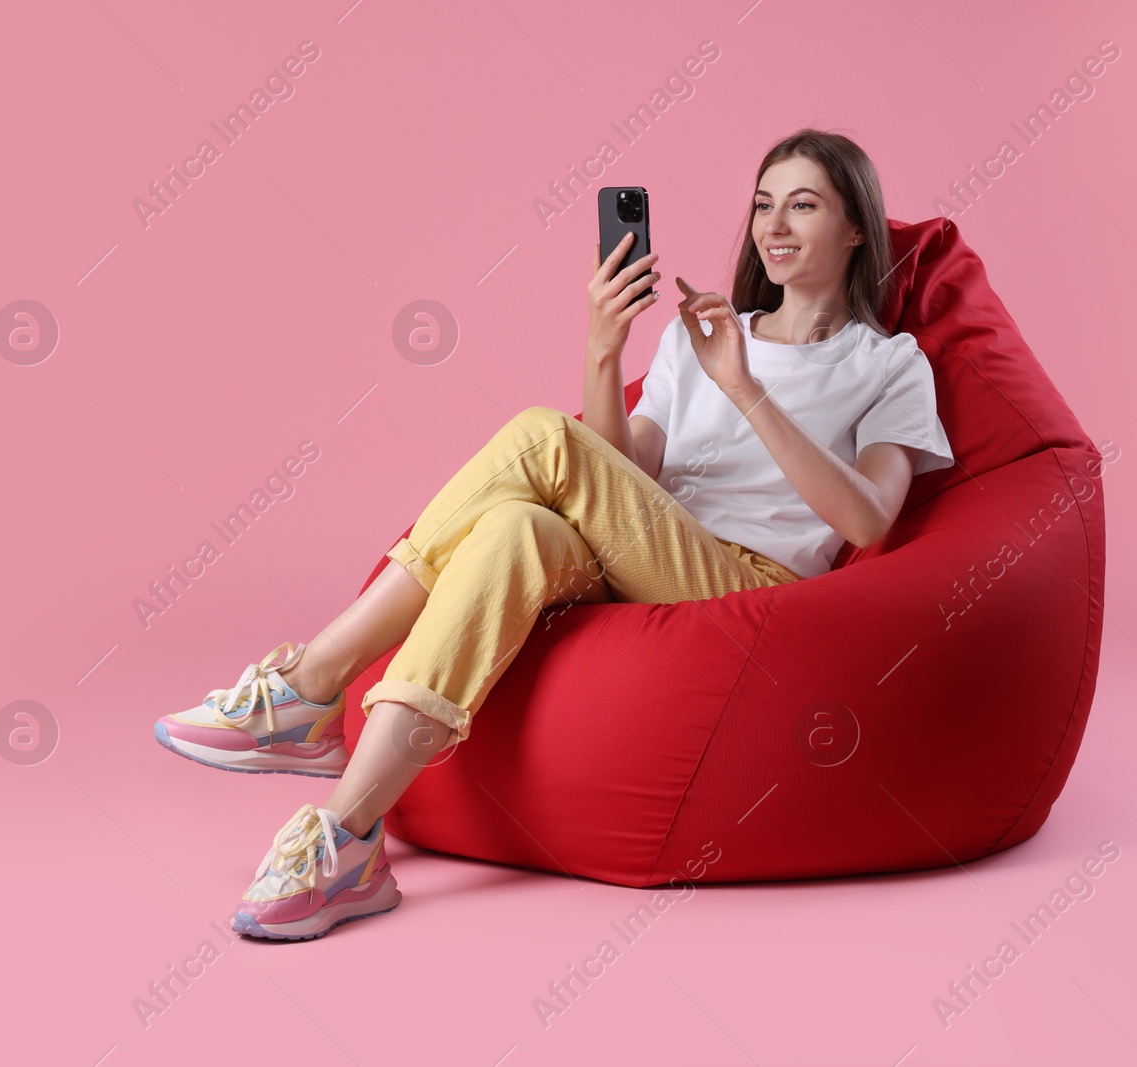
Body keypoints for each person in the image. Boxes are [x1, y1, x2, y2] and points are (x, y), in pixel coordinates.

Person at [152, 128, 955, 940]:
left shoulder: (888, 364)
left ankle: (313, 683)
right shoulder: (700, 335)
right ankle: (348, 838)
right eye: (762, 205)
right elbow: (620, 472)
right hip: (655, 552)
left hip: (752, 587)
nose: (774, 226)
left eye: (804, 205)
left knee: (543, 435)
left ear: (857, 228)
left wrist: (744, 388)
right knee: (512, 528)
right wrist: (604, 351)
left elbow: (868, 516)